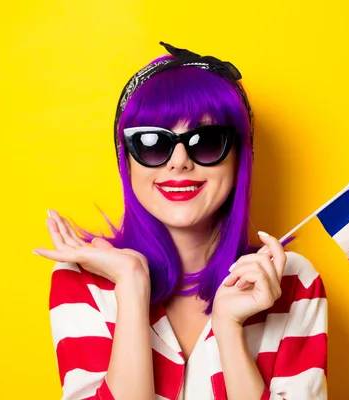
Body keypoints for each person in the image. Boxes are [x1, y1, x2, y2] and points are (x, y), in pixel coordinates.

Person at [34, 42, 328, 400]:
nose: (178, 162)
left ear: (239, 158)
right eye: (152, 142)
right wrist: (131, 286)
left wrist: (228, 328)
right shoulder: (82, 281)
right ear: (127, 162)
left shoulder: (292, 283)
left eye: (205, 141)